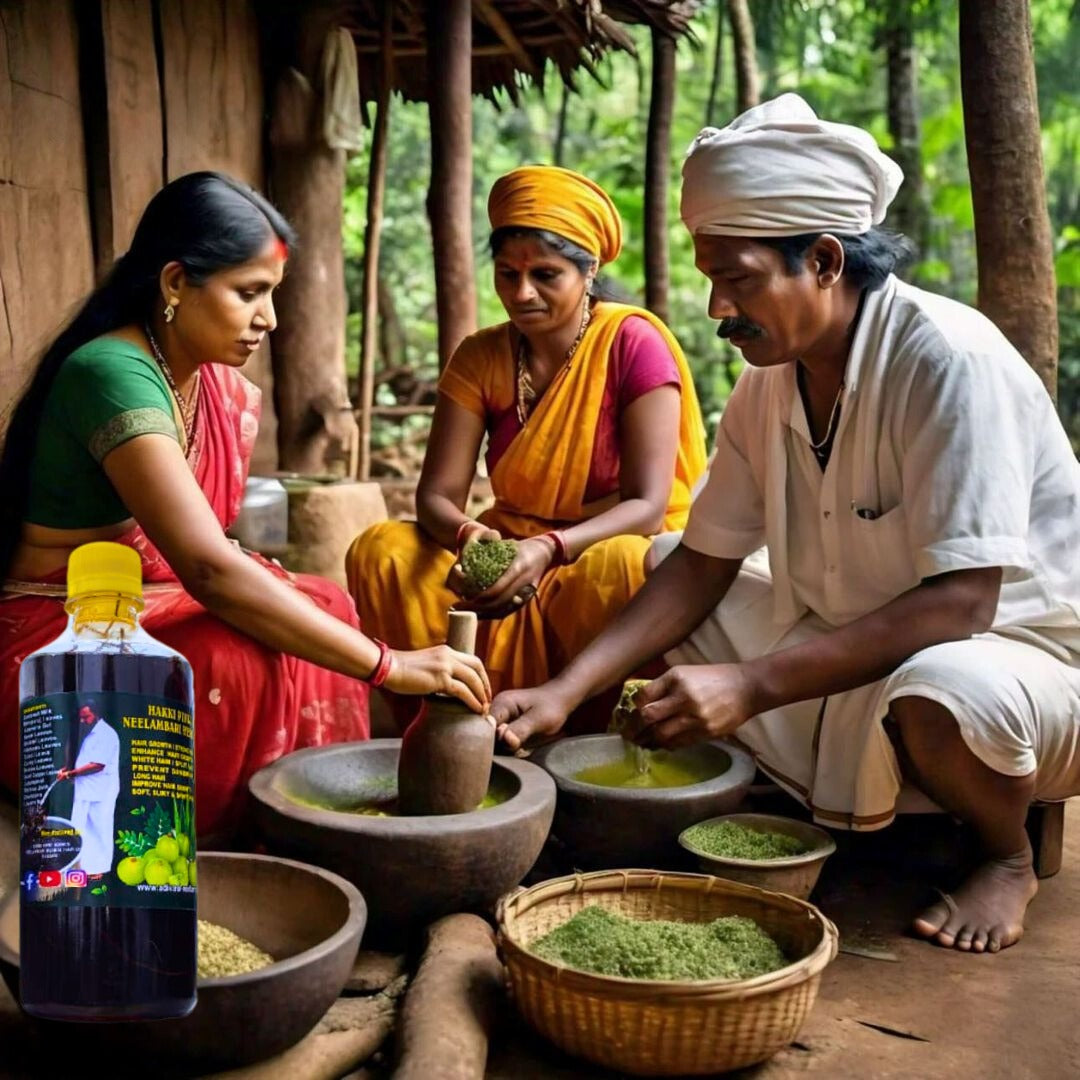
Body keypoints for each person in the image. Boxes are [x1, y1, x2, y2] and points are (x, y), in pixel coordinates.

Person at [490, 95, 1080, 955]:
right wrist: (561, 693)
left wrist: (753, 686)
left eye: (738, 277)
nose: (715, 306)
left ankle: (1003, 852)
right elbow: (700, 563)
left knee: (950, 689)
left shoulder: (949, 360)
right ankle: (820, 791)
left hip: (1020, 664)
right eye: (709, 278)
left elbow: (961, 604)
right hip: (853, 643)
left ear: (826, 261)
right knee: (657, 560)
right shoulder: (772, 380)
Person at [0, 172, 490, 839]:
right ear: (175, 283)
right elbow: (207, 569)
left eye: (273, 294)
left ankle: (316, 820)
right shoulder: (111, 374)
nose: (270, 319)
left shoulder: (202, 380)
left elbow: (211, 554)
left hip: (144, 597)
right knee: (236, 655)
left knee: (326, 603)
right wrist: (393, 665)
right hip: (57, 628)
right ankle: (232, 843)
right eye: (249, 293)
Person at [347, 165, 707, 720]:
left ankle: (586, 730)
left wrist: (547, 551)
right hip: (510, 544)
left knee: (618, 562)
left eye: (546, 274)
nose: (521, 292)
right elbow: (437, 495)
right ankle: (441, 725)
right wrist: (472, 536)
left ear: (589, 271)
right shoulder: (481, 355)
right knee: (385, 551)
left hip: (592, 554)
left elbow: (648, 506)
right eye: (507, 273)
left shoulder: (632, 343)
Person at [60, 701, 120, 876]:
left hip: (102, 791)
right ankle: (79, 867)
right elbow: (85, 759)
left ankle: (98, 870)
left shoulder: (106, 734)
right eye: (81, 718)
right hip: (86, 790)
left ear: (96, 714)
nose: (82, 721)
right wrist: (66, 769)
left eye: (86, 717)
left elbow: (97, 765)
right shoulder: (90, 733)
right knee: (79, 828)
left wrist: (71, 774)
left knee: (100, 828)